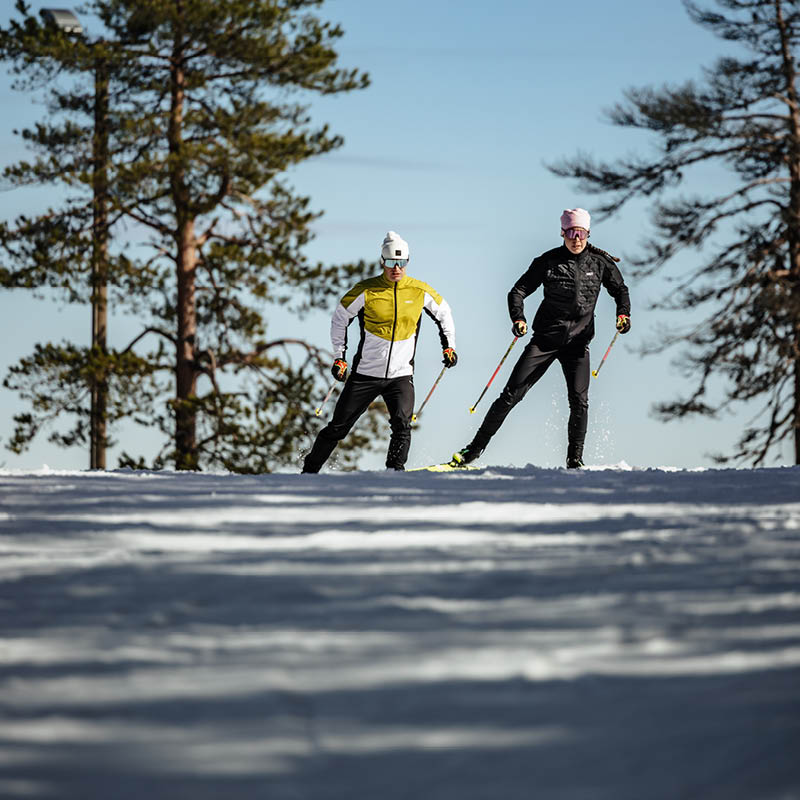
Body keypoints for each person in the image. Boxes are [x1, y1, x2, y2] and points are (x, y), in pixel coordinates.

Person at [451, 208, 630, 469]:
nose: (576, 238)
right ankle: (473, 450)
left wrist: (623, 314)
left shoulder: (601, 263)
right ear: (562, 233)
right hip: (545, 341)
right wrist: (518, 318)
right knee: (511, 395)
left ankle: (575, 459)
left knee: (579, 401)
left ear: (588, 233)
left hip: (578, 345)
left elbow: (620, 290)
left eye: (580, 233)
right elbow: (518, 290)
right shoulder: (548, 261)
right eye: (570, 232)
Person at [302, 231, 457, 473]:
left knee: (403, 424)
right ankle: (309, 471)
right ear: (382, 262)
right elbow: (340, 318)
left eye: (401, 263)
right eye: (391, 263)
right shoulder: (367, 290)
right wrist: (339, 358)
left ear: (407, 262)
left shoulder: (418, 290)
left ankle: (394, 472)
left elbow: (444, 313)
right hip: (366, 374)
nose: (396, 269)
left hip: (400, 374)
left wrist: (449, 346)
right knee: (338, 427)